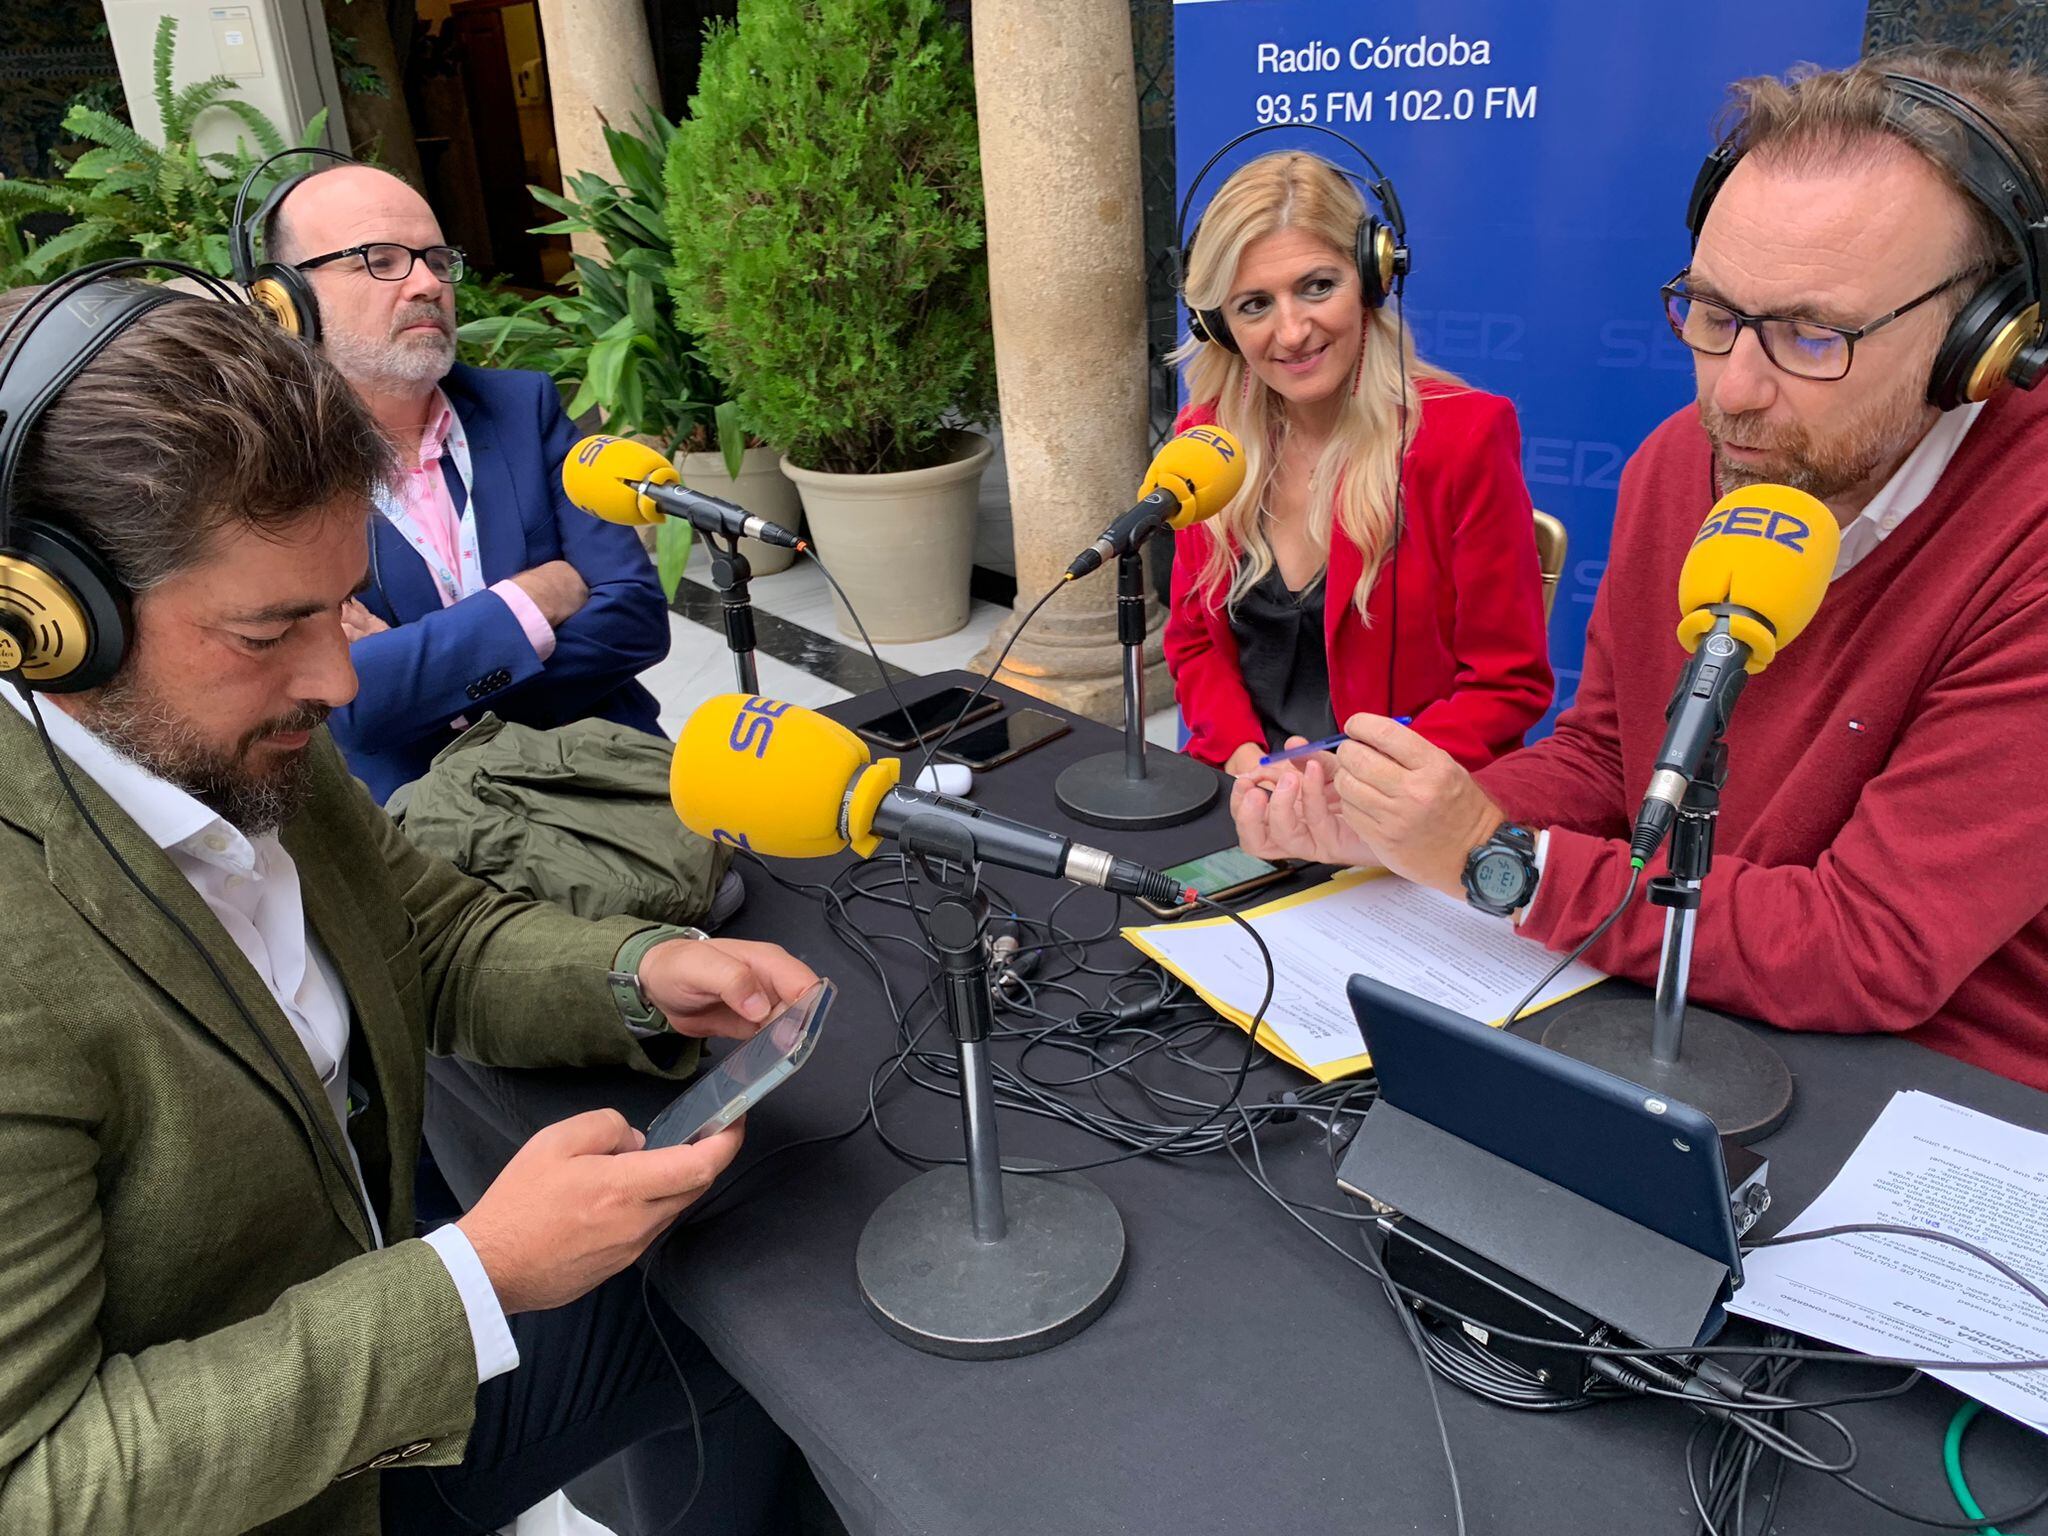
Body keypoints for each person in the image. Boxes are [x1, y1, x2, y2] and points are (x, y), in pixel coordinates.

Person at [0, 283, 814, 1533]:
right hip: (277, 1494)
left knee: (761, 1304)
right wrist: (470, 1282)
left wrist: (642, 970)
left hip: (371, 1412)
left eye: (339, 605)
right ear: (44, 621)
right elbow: (42, 1487)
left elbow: (422, 933)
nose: (336, 678)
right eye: (270, 629)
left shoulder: (240, 732)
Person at [1231, 52, 2048, 1091]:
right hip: (1679, 984)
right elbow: (1606, 763)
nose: (1733, 392)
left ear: (1983, 339)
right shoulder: (1681, 460)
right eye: (1710, 314)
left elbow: (1870, 944)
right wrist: (1400, 819)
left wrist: (1497, 862)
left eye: (1809, 335)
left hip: (1939, 1084)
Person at [260, 163, 672, 804]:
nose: (426, 283)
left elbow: (636, 619)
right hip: (433, 826)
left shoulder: (523, 407)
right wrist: (533, 602)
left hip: (609, 780)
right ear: (285, 299)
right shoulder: (272, 468)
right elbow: (350, 708)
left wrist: (425, 680)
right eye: (381, 260)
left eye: (434, 258)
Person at [1163, 150, 1554, 776]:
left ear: (1373, 279)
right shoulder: (1206, 442)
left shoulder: (1464, 436)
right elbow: (1190, 644)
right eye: (1254, 305)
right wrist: (1244, 762)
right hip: (1245, 789)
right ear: (1217, 324)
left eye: (1318, 287)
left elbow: (1506, 685)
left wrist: (1352, 782)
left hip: (1404, 802)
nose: (1291, 332)